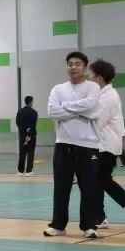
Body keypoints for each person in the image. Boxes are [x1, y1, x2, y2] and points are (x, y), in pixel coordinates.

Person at [44, 51, 103, 238]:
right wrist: (80, 110)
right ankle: (58, 225)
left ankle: (89, 226)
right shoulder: (58, 89)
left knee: (89, 188)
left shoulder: (93, 87)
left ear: (85, 67)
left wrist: (65, 108)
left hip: (88, 146)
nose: (73, 67)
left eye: (78, 64)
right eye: (70, 64)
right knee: (61, 187)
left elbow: (93, 109)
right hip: (63, 144)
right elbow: (52, 111)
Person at [89, 60, 125, 227]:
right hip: (106, 145)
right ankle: (110, 213)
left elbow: (98, 122)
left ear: (99, 78)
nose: (89, 79)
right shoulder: (106, 95)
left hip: (105, 146)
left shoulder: (107, 97)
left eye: (91, 76)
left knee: (99, 179)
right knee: (101, 180)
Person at [15, 96, 38, 175]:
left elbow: (17, 122)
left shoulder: (20, 112)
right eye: (32, 101)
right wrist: (29, 133)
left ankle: (20, 171)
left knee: (22, 152)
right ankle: (29, 171)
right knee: (30, 152)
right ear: (31, 102)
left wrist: (23, 131)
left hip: (22, 135)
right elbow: (33, 124)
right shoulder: (34, 112)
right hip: (31, 135)